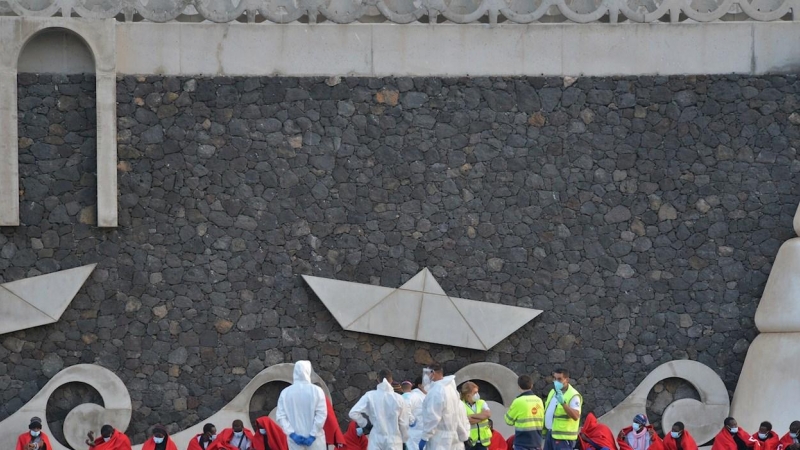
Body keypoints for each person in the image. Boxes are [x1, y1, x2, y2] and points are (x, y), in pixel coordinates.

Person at [348, 369, 410, 450]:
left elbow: (353, 413)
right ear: (391, 380)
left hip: (376, 438)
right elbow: (404, 423)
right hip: (394, 440)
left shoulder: (370, 395)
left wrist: (364, 423)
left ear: (378, 380)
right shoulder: (399, 398)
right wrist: (404, 438)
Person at [276, 361, 328, 450]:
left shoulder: (285, 393)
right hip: (315, 441)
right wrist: (313, 434)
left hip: (295, 441)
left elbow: (281, 416)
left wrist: (292, 434)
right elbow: (321, 415)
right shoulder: (317, 391)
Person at [418, 362, 470, 450]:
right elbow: (457, 415)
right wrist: (463, 435)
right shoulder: (451, 389)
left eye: (427, 373)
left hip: (439, 439)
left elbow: (433, 417)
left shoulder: (436, 391)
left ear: (433, 373)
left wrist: (425, 436)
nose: (426, 377)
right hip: (453, 437)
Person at [544, 369, 581, 450]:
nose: (556, 381)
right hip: (550, 434)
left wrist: (563, 403)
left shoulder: (573, 395)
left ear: (567, 380)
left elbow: (575, 416)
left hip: (564, 438)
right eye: (555, 378)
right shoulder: (552, 392)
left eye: (559, 379)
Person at [504, 375, 543, 450]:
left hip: (522, 442)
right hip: (537, 441)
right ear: (531, 385)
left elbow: (508, 421)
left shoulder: (518, 401)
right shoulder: (539, 400)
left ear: (519, 386)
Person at [462, 381, 492, 450]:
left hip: (483, 442)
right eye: (475, 393)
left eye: (477, 392)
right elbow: (468, 421)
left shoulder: (481, 402)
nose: (477, 394)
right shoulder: (461, 405)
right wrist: (482, 417)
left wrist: (471, 416)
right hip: (469, 442)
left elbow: (488, 414)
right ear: (468, 395)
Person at [405, 377, 427, 450]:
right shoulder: (414, 395)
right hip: (415, 434)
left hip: (423, 434)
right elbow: (405, 407)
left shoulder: (425, 396)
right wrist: (411, 421)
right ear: (420, 385)